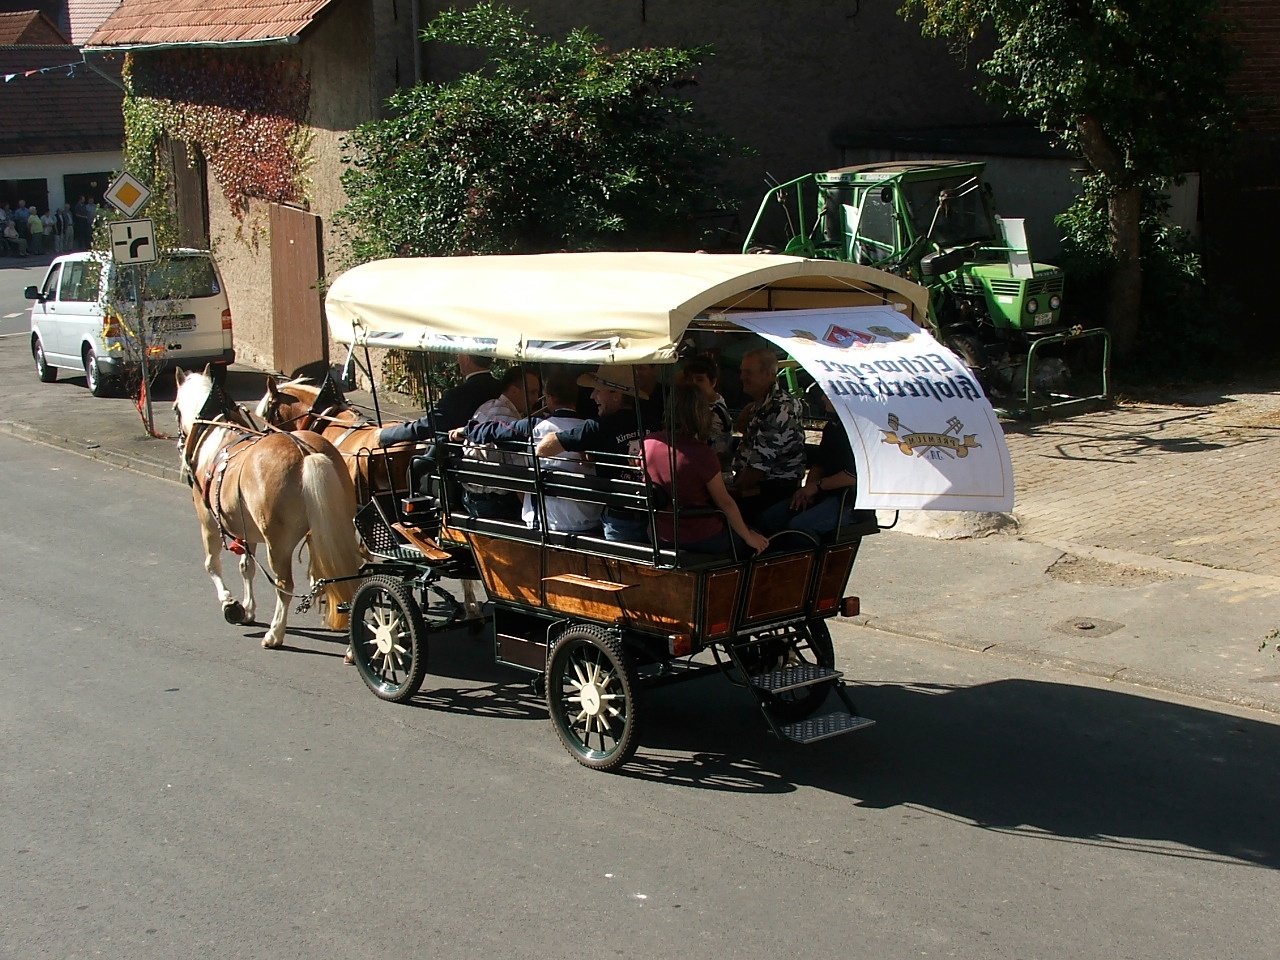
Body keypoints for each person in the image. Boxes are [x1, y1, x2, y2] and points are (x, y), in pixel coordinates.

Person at [457, 372, 602, 533]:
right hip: (590, 519)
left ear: (550, 398)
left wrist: (465, 430)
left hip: (547, 521)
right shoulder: (592, 429)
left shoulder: (534, 427)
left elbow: (494, 430)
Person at [644, 383, 768, 556]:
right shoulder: (702, 454)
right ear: (701, 413)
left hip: (660, 533)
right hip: (700, 536)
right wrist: (749, 537)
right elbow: (724, 502)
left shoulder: (648, 443)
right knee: (758, 537)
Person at [535, 364, 653, 542]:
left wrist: (581, 446)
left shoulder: (596, 427)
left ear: (615, 394)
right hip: (654, 518)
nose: (592, 396)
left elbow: (543, 448)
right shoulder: (652, 422)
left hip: (619, 521)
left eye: (598, 390)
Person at [758, 393, 860, 540]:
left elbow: (854, 475)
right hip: (825, 494)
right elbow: (819, 464)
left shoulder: (859, 431)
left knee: (799, 527)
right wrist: (807, 491)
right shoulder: (833, 427)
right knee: (769, 518)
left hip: (849, 501)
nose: (822, 398)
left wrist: (817, 486)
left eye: (826, 394)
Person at [728, 347, 807, 522]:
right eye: (742, 372)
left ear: (768, 374)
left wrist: (729, 491)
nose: (742, 377)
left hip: (771, 491)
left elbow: (757, 469)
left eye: (748, 372)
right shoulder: (762, 404)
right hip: (756, 486)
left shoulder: (779, 408)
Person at [457, 365, 541, 520]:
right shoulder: (508, 419)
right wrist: (536, 517)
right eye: (532, 392)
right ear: (514, 391)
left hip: (470, 497)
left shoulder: (488, 406)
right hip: (494, 504)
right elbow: (520, 478)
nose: (536, 399)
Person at [379, 353, 502, 445]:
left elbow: (428, 425)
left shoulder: (457, 395)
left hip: (460, 455)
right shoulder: (501, 387)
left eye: (459, 355)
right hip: (497, 447)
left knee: (418, 465)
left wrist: (386, 434)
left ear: (466, 358)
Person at [680, 355, 733, 472]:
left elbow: (715, 456)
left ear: (713, 382)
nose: (693, 384)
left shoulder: (715, 413)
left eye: (699, 379)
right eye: (690, 379)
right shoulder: (700, 405)